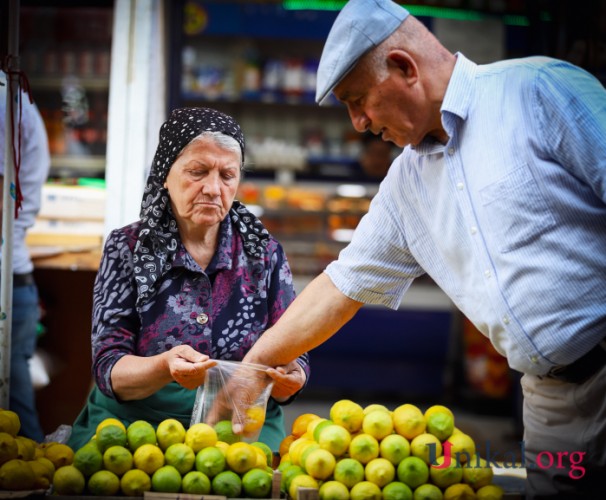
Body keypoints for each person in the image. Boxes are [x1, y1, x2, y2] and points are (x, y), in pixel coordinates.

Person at [235, 1, 606, 498]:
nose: (359, 124)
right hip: (550, 402)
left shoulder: (538, 92)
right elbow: (342, 285)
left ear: (404, 68)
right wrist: (251, 367)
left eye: (358, 100)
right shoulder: (406, 185)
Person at [68, 107, 309, 452]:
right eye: (198, 171)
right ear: (165, 174)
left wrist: (290, 379)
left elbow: (295, 354)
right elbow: (109, 367)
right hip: (137, 424)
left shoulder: (264, 254)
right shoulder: (128, 247)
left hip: (238, 425)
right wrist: (165, 367)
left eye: (228, 176)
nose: (213, 188)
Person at [0, 70, 49, 441]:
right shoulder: (13, 97)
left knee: (13, 414)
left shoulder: (5, 97)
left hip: (8, 280)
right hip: (15, 276)